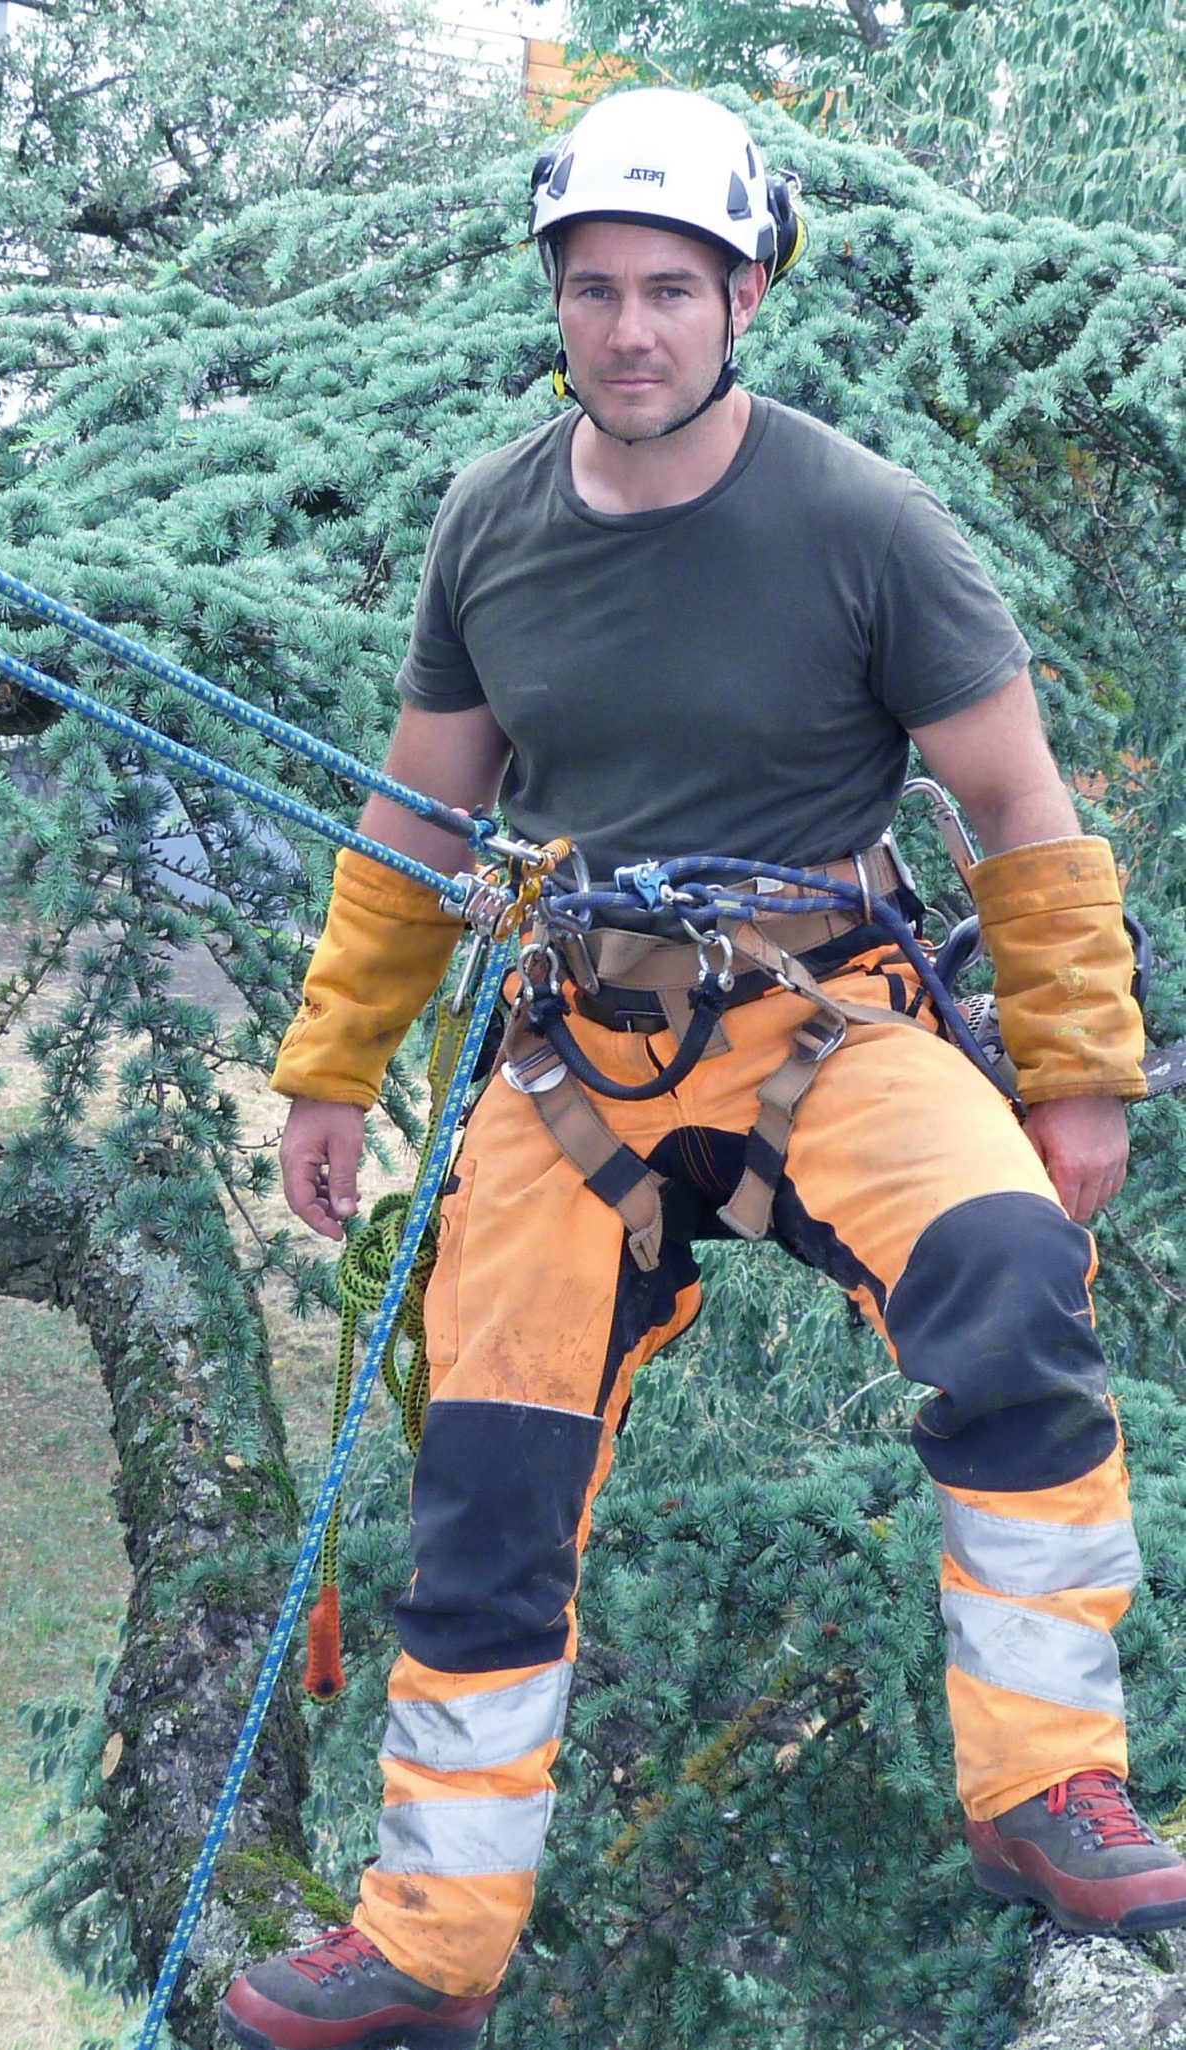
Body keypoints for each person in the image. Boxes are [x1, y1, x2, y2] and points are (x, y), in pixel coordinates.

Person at [219, 87, 1183, 2050]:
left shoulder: (860, 522)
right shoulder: (493, 521)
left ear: (747, 293)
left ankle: (1045, 1786)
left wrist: (1079, 1075)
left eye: (672, 287)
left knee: (1004, 1262)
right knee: (486, 1466)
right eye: (595, 290)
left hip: (822, 1023)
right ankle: (433, 1927)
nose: (632, 327)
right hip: (579, 1050)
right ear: (556, 304)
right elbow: (419, 821)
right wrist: (332, 1069)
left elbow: (1016, 802)